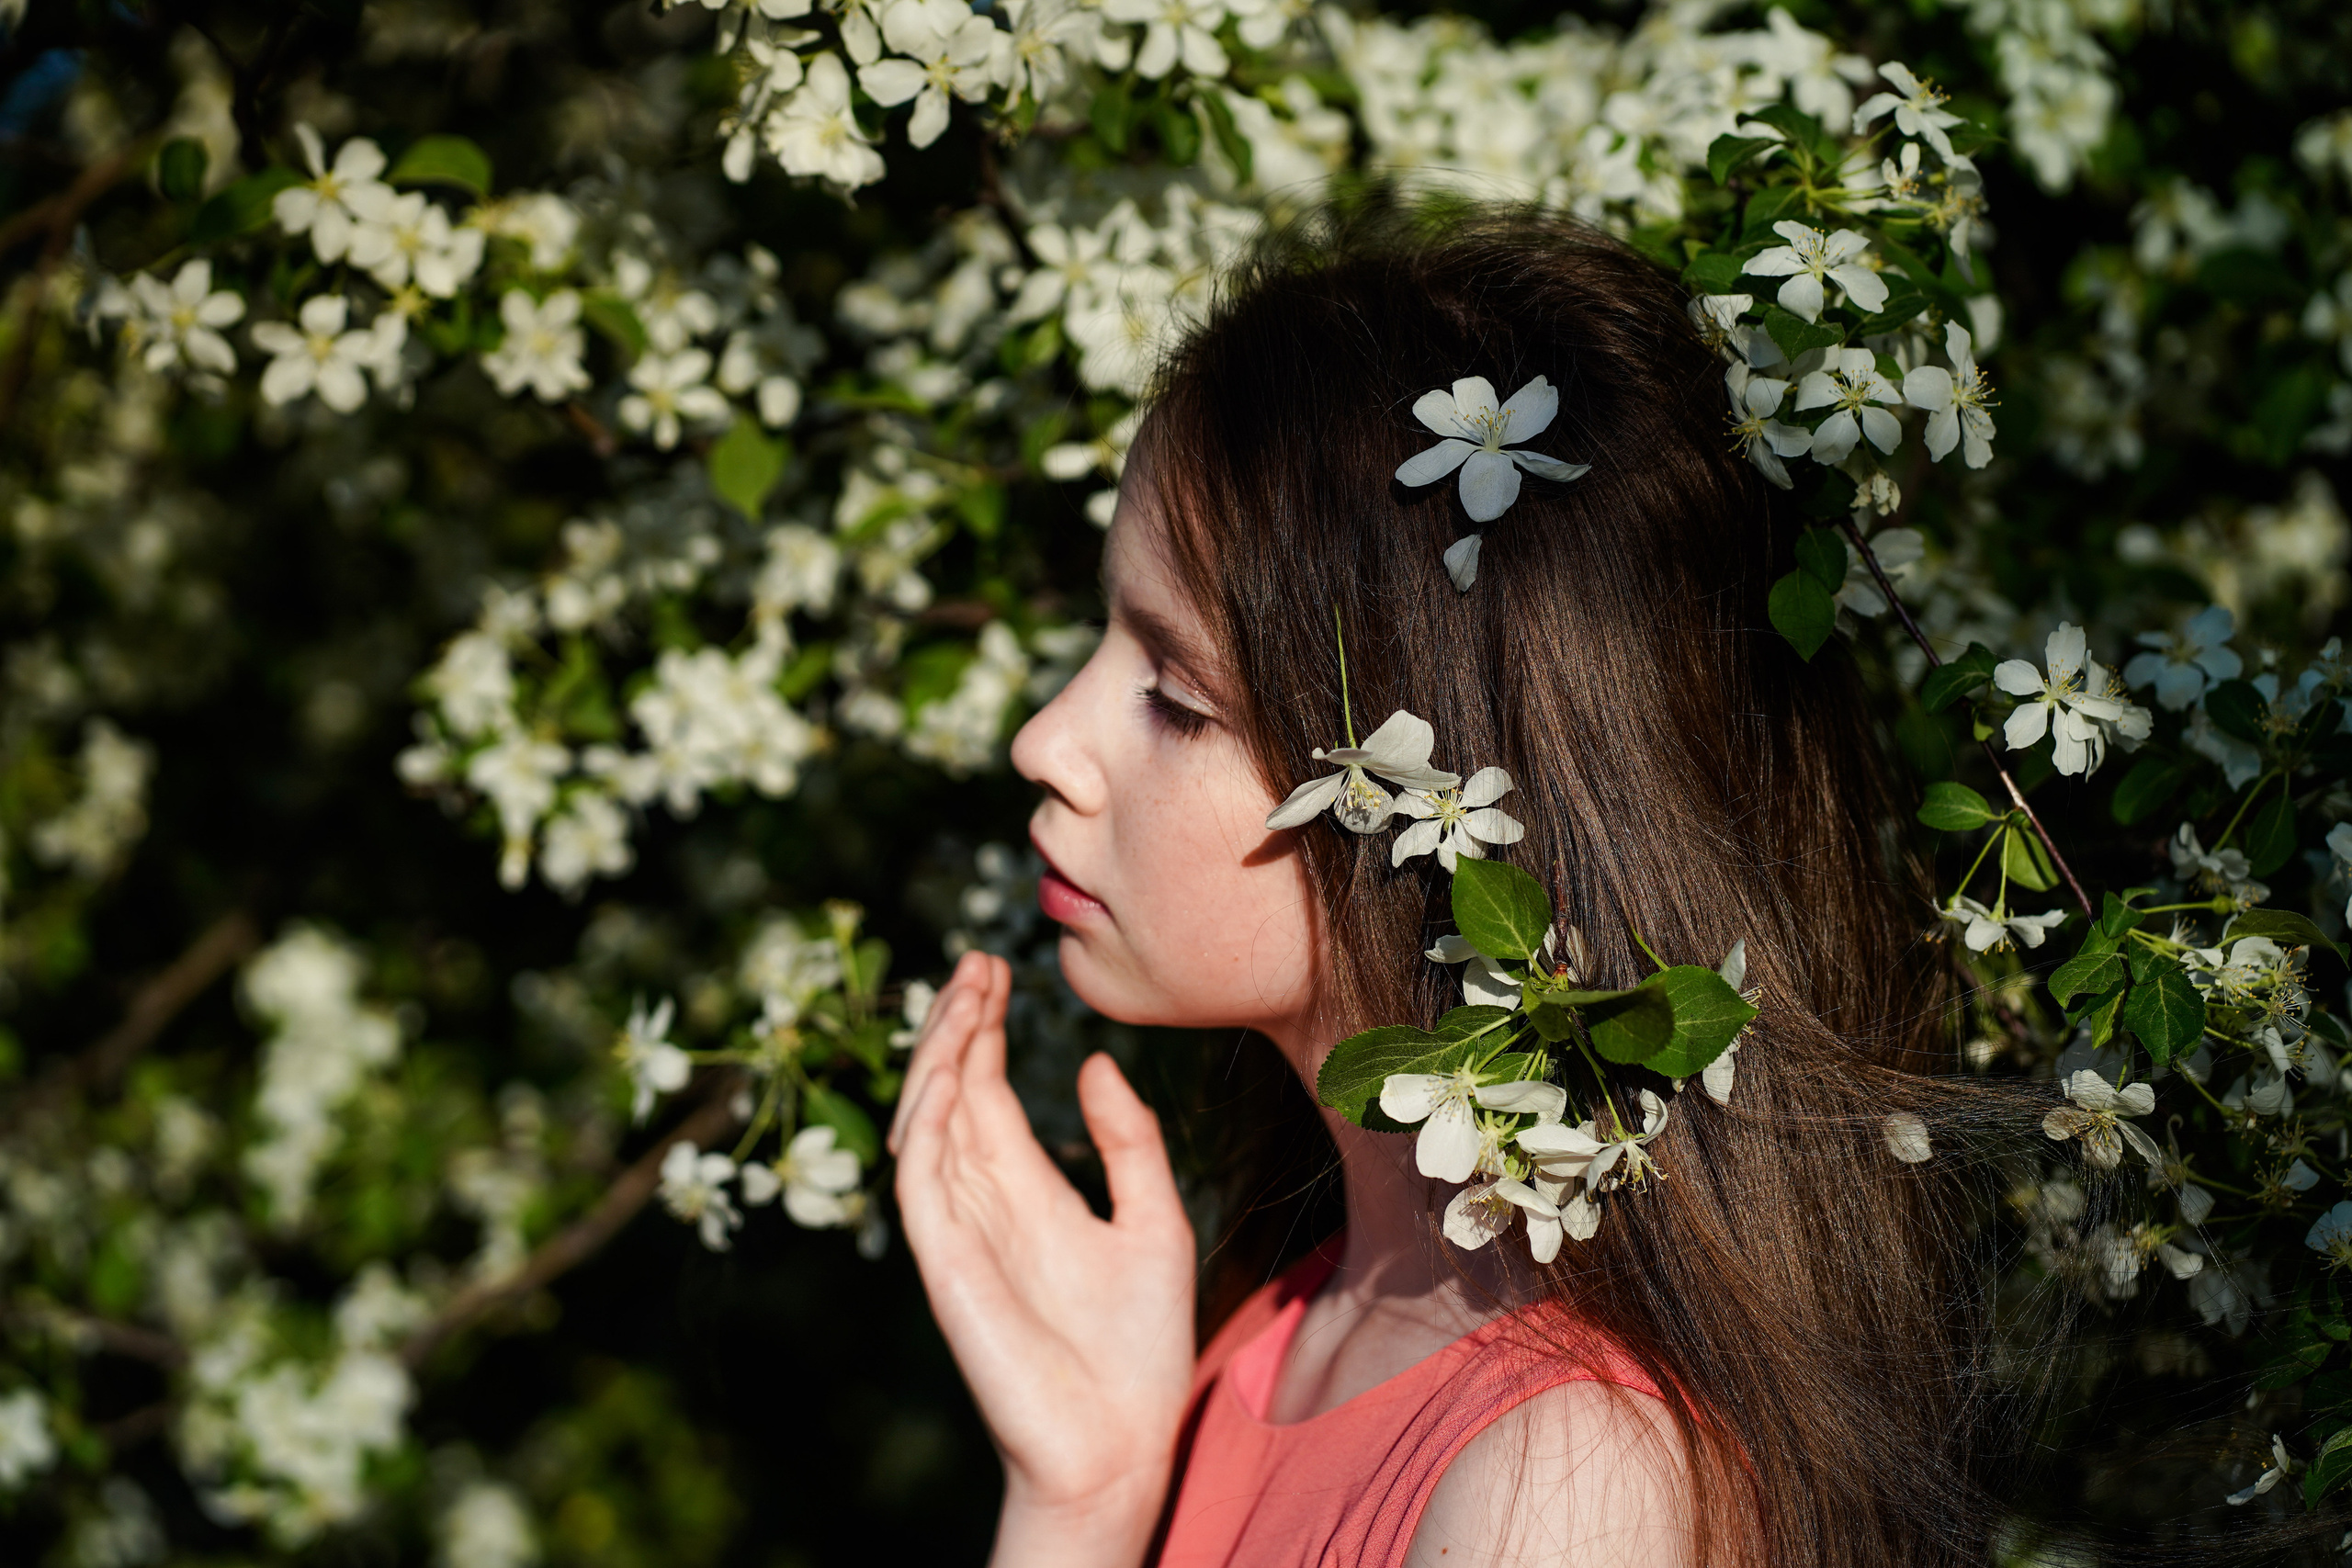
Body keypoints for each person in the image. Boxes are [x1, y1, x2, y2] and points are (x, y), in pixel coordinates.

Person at [886, 195, 2003, 1568]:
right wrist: (1080, 1496)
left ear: (1437, 800)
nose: (1044, 740)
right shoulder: (1284, 1325)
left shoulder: (1567, 1488)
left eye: (1175, 696)